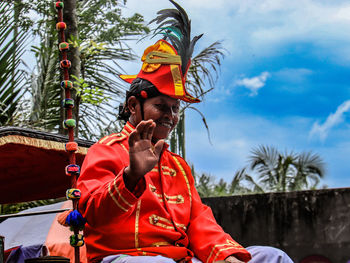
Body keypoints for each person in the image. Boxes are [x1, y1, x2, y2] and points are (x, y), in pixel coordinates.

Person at [77, 1, 294, 263]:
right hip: (123, 258)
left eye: (175, 108)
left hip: (181, 260)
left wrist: (226, 258)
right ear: (133, 106)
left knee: (273, 256)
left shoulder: (178, 167)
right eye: (161, 106)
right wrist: (131, 176)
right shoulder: (106, 149)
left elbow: (200, 222)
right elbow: (88, 212)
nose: (170, 115)